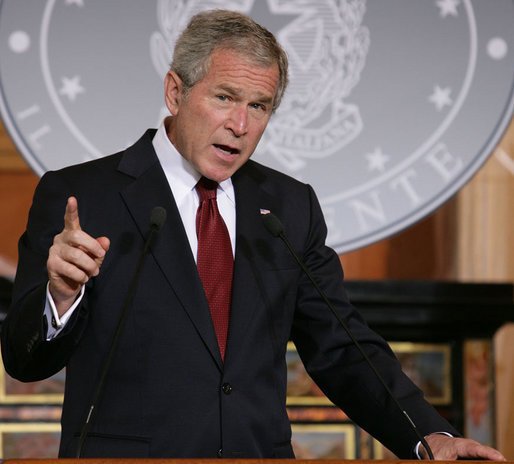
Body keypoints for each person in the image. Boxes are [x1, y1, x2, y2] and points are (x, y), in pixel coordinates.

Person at [1, 9, 505, 461]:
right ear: (176, 92)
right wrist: (60, 297)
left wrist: (427, 434)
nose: (240, 125)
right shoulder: (83, 196)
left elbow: (342, 345)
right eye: (225, 98)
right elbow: (23, 361)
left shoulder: (288, 206)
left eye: (259, 106)